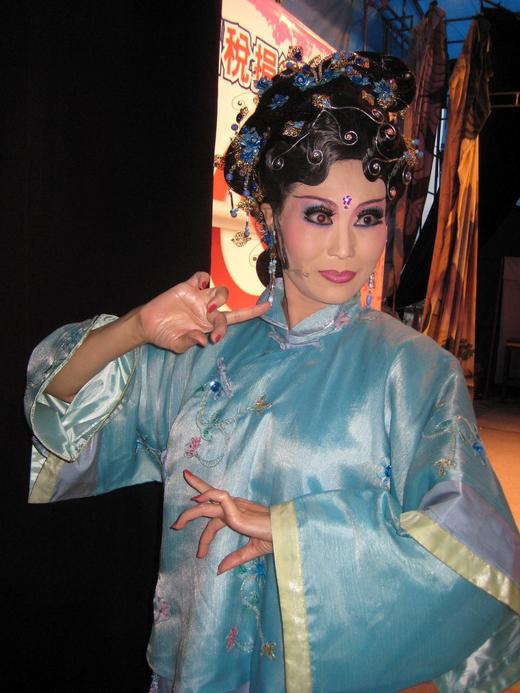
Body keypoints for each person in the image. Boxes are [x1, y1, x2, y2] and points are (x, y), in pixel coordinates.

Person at [25, 49, 519, 693]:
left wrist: (295, 532)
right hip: (195, 664)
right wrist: (135, 329)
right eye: (319, 214)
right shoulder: (207, 350)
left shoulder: (416, 372)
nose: (346, 246)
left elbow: (476, 557)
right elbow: (57, 407)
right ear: (268, 219)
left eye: (368, 216)